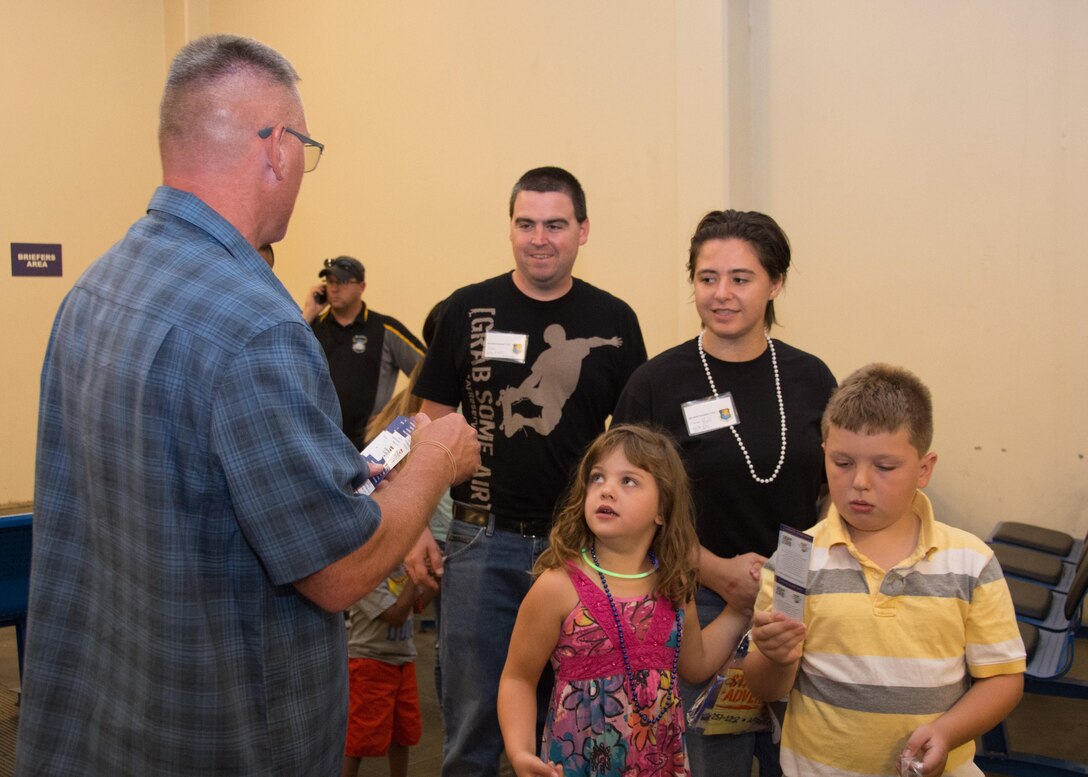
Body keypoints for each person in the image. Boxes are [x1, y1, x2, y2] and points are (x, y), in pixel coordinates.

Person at [16, 34, 479, 777]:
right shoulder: (257, 326)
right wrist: (433, 456)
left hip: (106, 723)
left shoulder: (98, 287)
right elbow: (337, 569)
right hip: (220, 737)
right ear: (278, 148)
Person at [409, 166, 648, 777]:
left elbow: (638, 447)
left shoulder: (615, 319)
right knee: (471, 729)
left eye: (555, 225)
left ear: (583, 231)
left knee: (572, 727)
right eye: (526, 224)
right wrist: (411, 527)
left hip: (582, 553)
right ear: (511, 228)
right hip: (480, 545)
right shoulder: (468, 309)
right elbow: (427, 424)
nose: (539, 238)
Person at [611, 209, 836, 776]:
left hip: (801, 603)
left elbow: (837, 490)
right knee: (713, 763)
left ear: (775, 283)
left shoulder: (812, 378)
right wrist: (716, 572)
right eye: (707, 278)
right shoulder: (656, 384)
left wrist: (799, 574)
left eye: (741, 278)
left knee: (805, 759)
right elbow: (627, 512)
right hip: (699, 603)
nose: (722, 294)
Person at [745, 363, 1026, 777]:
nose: (859, 482)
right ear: (823, 455)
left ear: (924, 469)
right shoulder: (794, 559)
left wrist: (948, 732)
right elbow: (765, 688)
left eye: (885, 467)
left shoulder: (970, 561)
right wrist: (776, 657)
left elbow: (1003, 679)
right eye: (842, 462)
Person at [498, 425, 749, 777]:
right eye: (597, 478)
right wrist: (519, 752)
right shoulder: (558, 587)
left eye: (628, 480)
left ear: (662, 509)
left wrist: (739, 610)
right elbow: (518, 679)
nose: (607, 490)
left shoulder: (674, 586)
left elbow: (695, 664)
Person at [302, 255, 426, 450]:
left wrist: (398, 413)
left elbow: (428, 372)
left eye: (342, 281)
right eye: (330, 281)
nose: (334, 288)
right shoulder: (310, 327)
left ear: (362, 286)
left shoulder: (385, 329)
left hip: (370, 445)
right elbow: (281, 362)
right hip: (317, 441)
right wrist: (308, 312)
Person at [342, 564, 434, 777]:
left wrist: (435, 580)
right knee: (358, 740)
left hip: (403, 661)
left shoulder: (401, 570)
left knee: (403, 735)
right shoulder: (366, 575)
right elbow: (396, 615)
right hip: (369, 664)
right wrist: (416, 574)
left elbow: (417, 606)